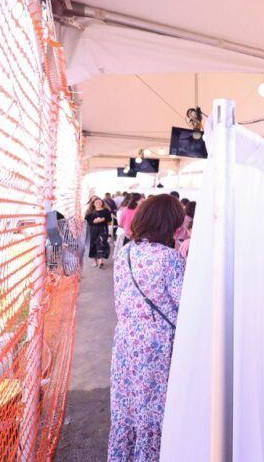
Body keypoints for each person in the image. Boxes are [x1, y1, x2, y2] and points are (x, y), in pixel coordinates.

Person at [108, 194, 186, 461]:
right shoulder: (170, 259)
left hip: (126, 343)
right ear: (169, 224)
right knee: (153, 412)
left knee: (127, 409)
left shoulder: (125, 253)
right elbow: (185, 307)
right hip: (157, 349)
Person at [85, 197, 112, 268]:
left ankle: (100, 262)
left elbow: (109, 220)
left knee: (101, 244)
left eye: (100, 202)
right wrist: (93, 221)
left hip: (103, 229)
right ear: (93, 204)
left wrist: (104, 219)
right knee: (93, 245)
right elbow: (86, 221)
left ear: (102, 203)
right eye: (96, 202)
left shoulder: (106, 210)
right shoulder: (90, 211)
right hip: (93, 230)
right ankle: (95, 261)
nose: (99, 204)